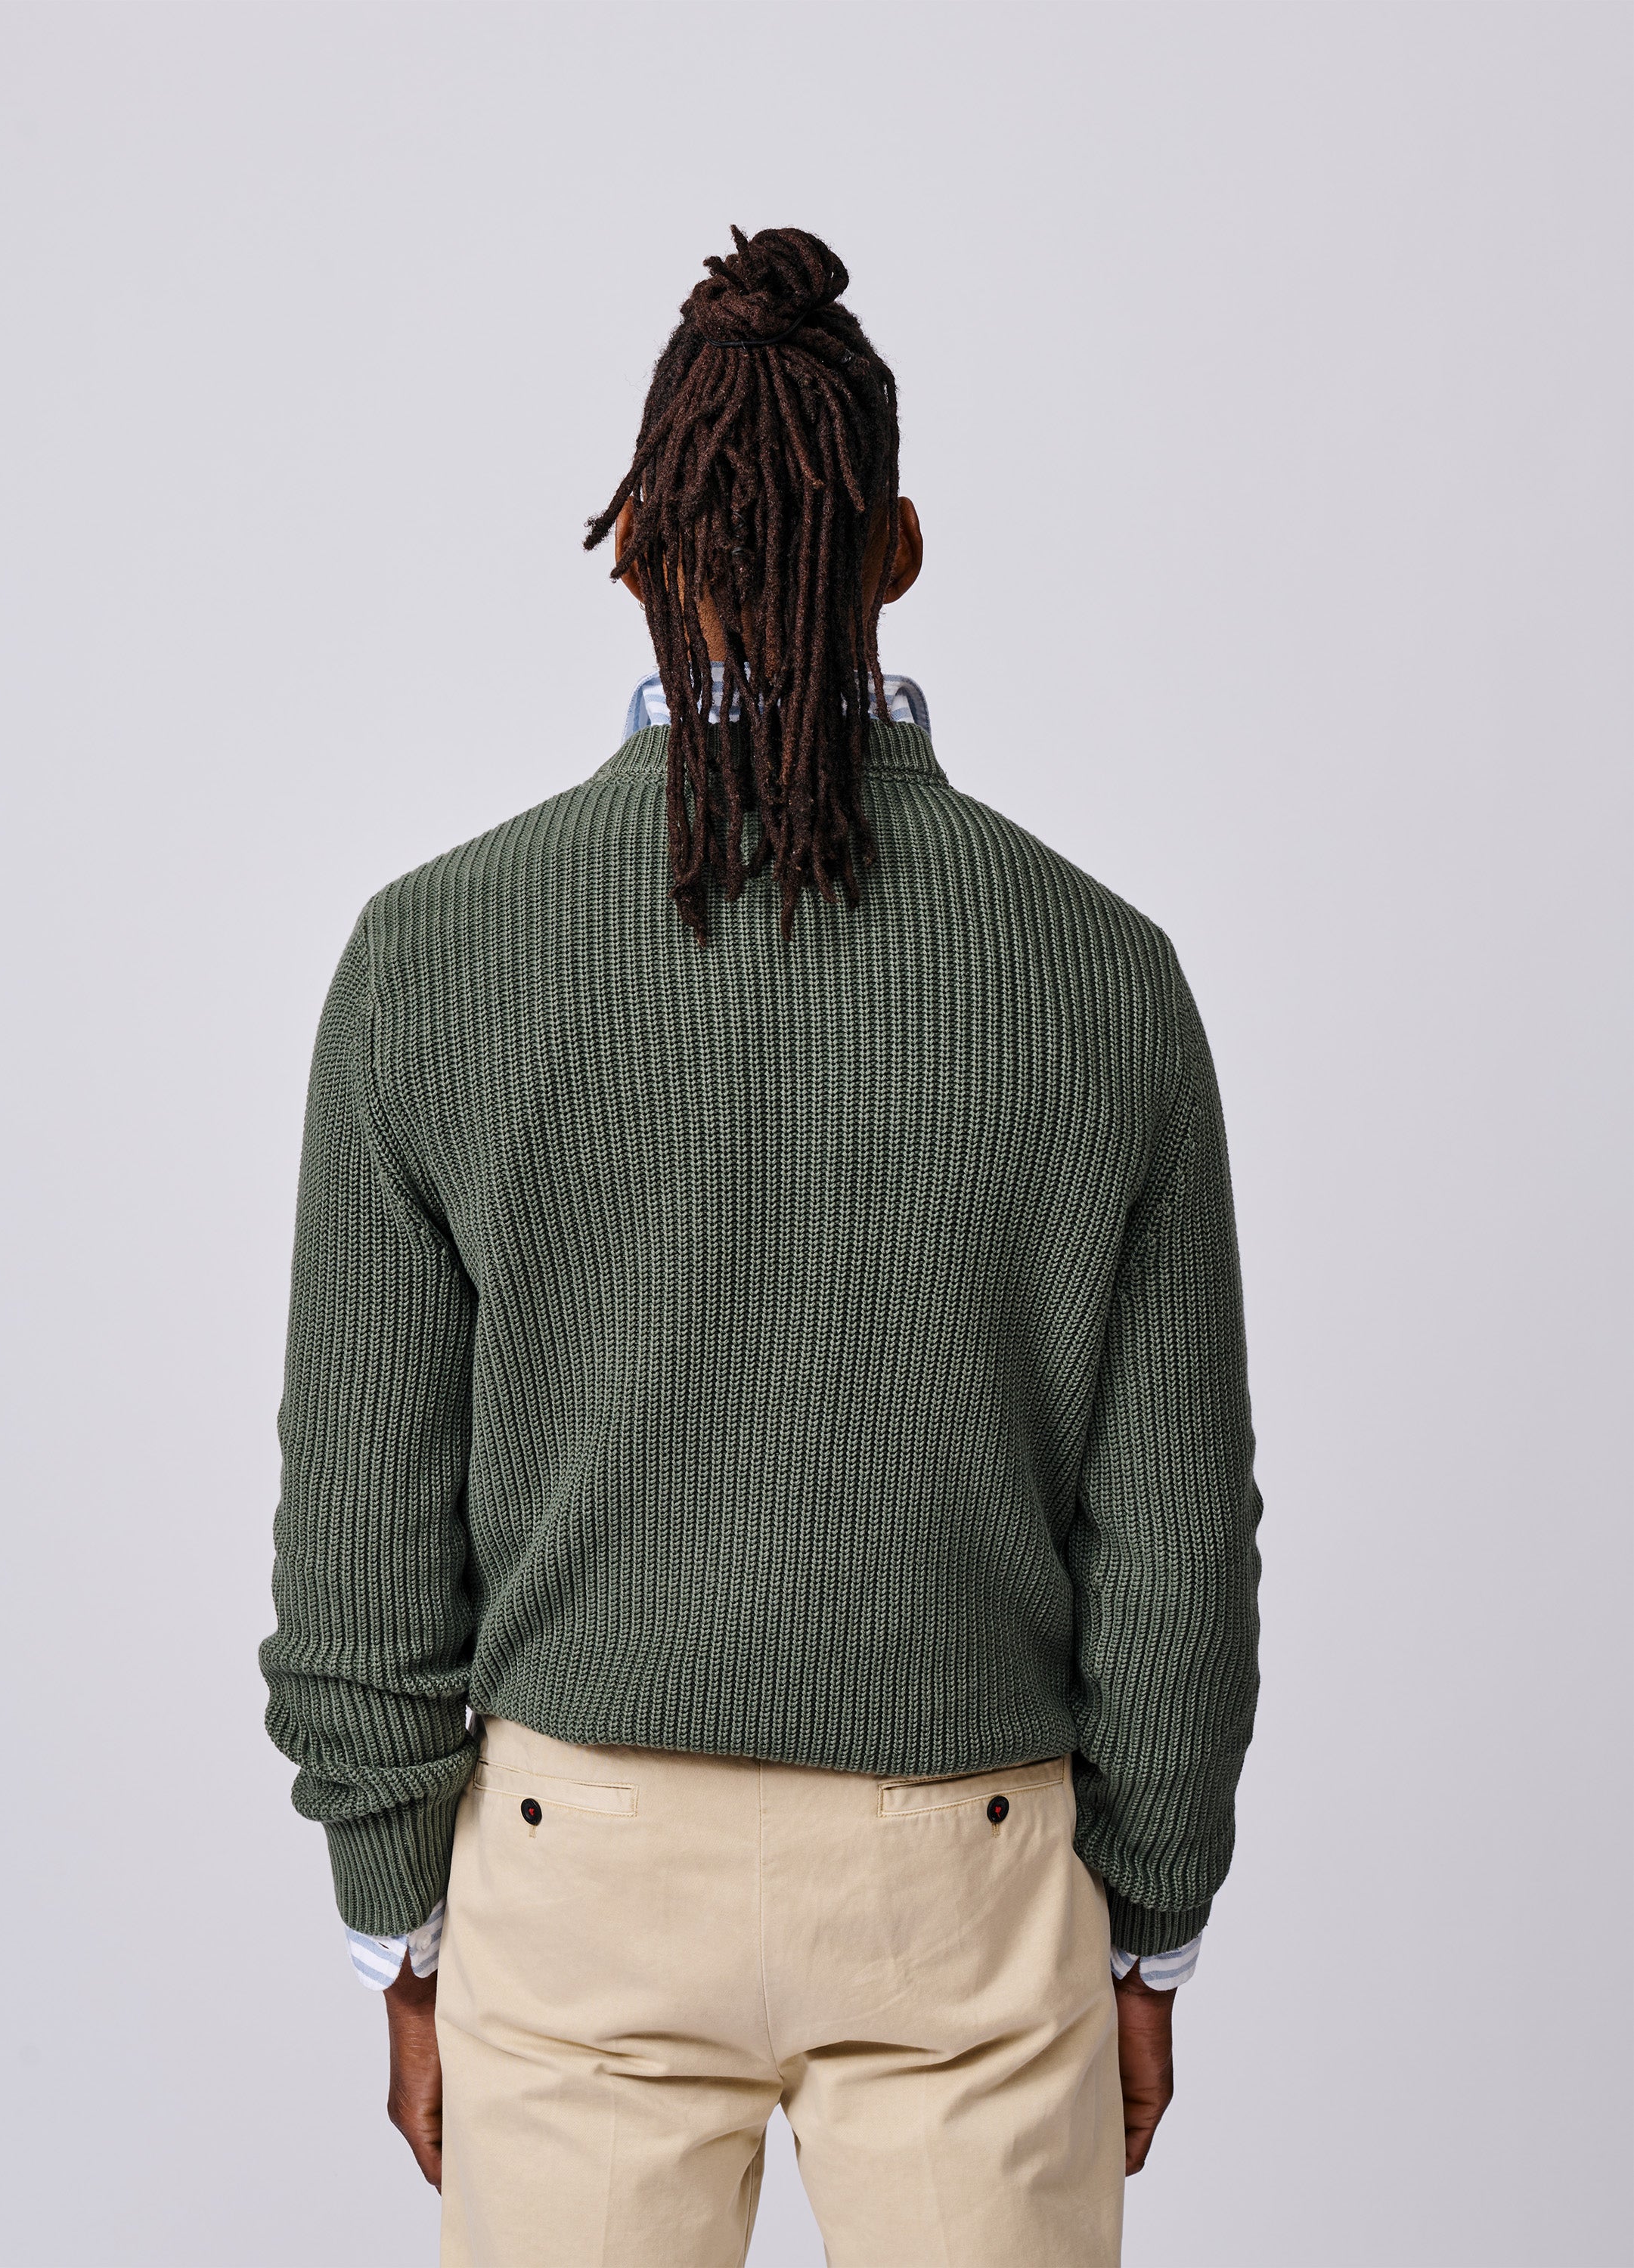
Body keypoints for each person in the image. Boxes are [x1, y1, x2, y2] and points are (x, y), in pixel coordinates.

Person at [262, 224, 1262, 2267]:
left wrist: (399, 1921)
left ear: (631, 546)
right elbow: (1172, 1534)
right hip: (967, 1877)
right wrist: (1146, 1930)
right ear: (898, 549)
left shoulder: (430, 960)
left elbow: (361, 1512)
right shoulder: (1097, 976)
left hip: (580, 1872)